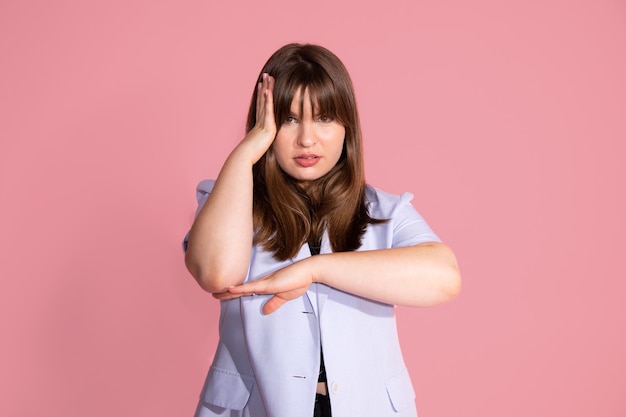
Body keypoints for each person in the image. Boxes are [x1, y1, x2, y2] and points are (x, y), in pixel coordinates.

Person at [183, 43, 461, 417]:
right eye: (289, 119)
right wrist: (245, 153)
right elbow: (217, 272)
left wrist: (314, 270)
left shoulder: (384, 210)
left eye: (325, 118)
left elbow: (444, 278)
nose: (307, 139)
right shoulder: (228, 201)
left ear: (347, 126)